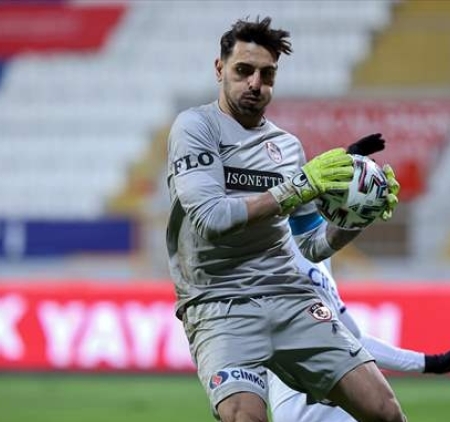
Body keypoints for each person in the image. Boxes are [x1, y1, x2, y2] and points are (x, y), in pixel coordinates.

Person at [165, 16, 406, 422]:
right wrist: (298, 186)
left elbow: (312, 245)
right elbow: (211, 218)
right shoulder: (196, 127)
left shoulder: (287, 147)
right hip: (219, 301)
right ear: (220, 69)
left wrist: (357, 215)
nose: (255, 83)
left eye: (267, 74)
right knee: (246, 416)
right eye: (243, 70)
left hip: (290, 296)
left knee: (385, 411)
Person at [268, 135, 450, 422]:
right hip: (302, 410)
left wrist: (429, 363)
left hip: (343, 404)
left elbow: (354, 340)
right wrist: (347, 159)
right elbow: (283, 198)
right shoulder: (270, 255)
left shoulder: (317, 260)